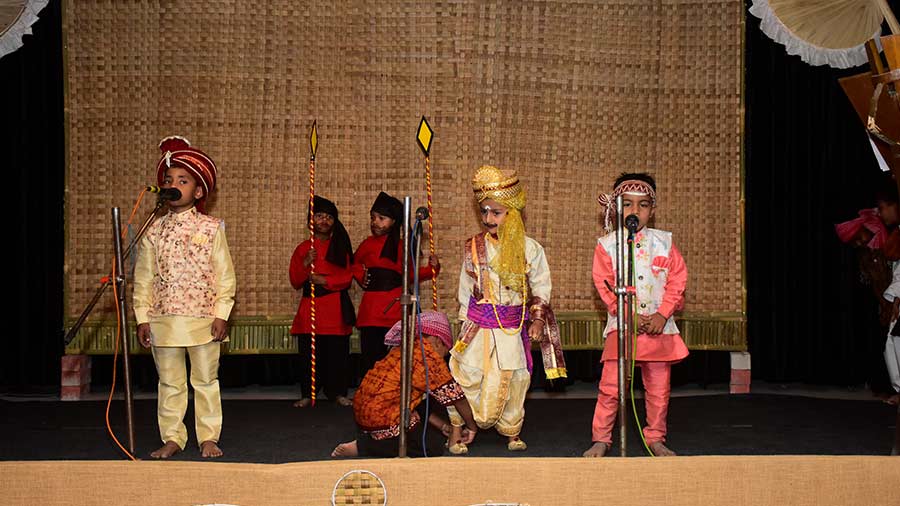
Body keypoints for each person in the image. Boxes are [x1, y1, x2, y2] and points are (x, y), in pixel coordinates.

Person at [446, 165, 567, 454]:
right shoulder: (473, 248)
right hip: (478, 326)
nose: (488, 218)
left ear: (512, 214)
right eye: (484, 211)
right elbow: (466, 290)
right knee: (467, 376)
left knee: (516, 379)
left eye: (495, 212)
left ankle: (512, 432)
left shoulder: (531, 248)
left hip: (512, 329)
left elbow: (541, 287)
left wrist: (536, 321)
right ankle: (456, 430)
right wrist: (464, 322)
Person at [133, 136, 236, 459]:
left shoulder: (211, 228)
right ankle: (173, 436)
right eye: (169, 179)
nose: (173, 184)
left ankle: (208, 436)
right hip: (163, 320)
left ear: (199, 190)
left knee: (205, 380)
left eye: (183, 180)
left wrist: (222, 313)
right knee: (170, 383)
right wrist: (142, 317)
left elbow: (225, 274)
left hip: (203, 319)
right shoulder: (152, 229)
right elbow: (144, 277)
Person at [583, 172, 688, 458]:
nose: (635, 211)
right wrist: (627, 314)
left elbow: (677, 279)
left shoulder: (664, 243)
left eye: (643, 205)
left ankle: (655, 437)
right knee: (611, 388)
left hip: (658, 329)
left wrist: (662, 314)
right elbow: (604, 285)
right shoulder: (607, 245)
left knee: (657, 390)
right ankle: (601, 439)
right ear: (617, 207)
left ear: (652, 210)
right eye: (627, 204)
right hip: (624, 329)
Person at [331, 311, 478, 458]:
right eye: (445, 351)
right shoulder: (429, 358)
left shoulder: (403, 348)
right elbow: (457, 398)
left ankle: (373, 439)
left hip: (364, 415)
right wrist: (472, 426)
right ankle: (365, 447)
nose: (443, 357)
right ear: (438, 341)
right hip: (383, 419)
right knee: (431, 448)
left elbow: (419, 403)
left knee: (431, 395)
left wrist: (443, 426)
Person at [352, 191, 440, 377]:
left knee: (396, 359)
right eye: (373, 217)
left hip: (396, 310)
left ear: (393, 222)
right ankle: (370, 395)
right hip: (371, 311)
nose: (375, 222)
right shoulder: (367, 244)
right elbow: (353, 264)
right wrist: (361, 275)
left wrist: (433, 269)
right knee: (371, 356)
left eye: (381, 218)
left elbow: (411, 276)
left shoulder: (403, 246)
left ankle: (393, 394)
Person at [289, 196, 355, 408]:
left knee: (337, 355)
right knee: (309, 355)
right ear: (311, 220)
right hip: (311, 307)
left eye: (329, 217)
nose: (324, 221)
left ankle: (338, 393)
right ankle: (308, 394)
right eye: (319, 216)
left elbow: (347, 278)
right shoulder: (303, 248)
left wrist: (324, 280)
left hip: (334, 308)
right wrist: (306, 263)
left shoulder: (341, 247)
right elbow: (295, 280)